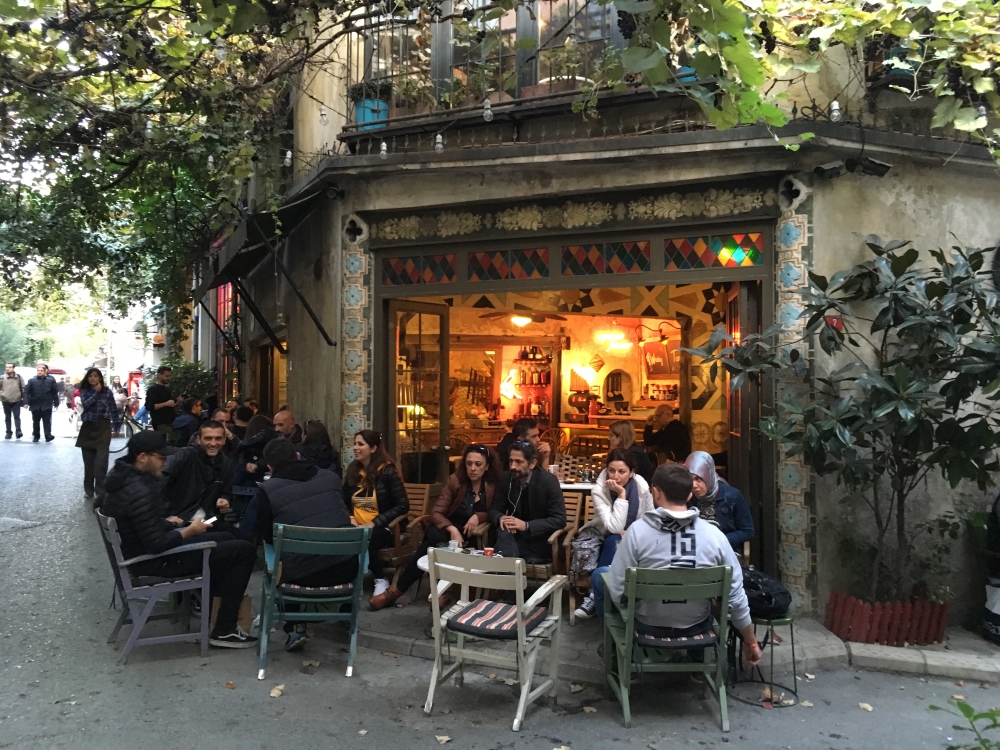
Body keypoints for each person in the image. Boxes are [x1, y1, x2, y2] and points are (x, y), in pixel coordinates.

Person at [591, 463, 762, 668]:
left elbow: (619, 592)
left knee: (600, 575)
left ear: (656, 492)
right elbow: (736, 595)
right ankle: (698, 660)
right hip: (697, 626)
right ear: (690, 495)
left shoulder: (637, 532)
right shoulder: (714, 536)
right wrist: (750, 640)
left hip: (647, 625)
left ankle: (618, 654)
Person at [102, 430, 257, 648]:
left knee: (226, 535)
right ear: (142, 457)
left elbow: (139, 524)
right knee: (243, 551)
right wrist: (189, 531)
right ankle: (224, 629)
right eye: (160, 458)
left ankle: (211, 611)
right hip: (154, 561)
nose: (165, 463)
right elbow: (157, 544)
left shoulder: (123, 480)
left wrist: (168, 523)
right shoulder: (141, 490)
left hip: (142, 552)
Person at [255, 437, 358, 651]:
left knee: (283, 557)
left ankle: (295, 626)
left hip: (299, 578)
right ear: (298, 456)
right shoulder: (330, 478)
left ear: (270, 467)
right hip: (345, 570)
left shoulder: (267, 490)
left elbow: (265, 535)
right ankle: (346, 613)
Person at [372, 443, 500, 610]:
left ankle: (398, 592)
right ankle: (436, 593)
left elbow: (497, 510)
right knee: (435, 539)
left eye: (478, 464)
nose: (473, 469)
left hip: (474, 535)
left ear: (487, 466)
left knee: (430, 546)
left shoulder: (493, 485)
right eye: (469, 464)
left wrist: (478, 516)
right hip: (449, 531)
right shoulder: (455, 481)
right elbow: (436, 512)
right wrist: (452, 529)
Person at [573, 448, 654, 620]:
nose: (615, 476)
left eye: (622, 471)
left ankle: (616, 596)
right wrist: (622, 495)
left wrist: (633, 532)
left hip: (636, 534)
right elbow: (614, 526)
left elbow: (650, 516)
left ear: (631, 472)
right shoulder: (599, 490)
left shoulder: (641, 485)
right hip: (605, 535)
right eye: (611, 470)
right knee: (615, 540)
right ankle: (596, 595)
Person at [342, 430, 409, 605]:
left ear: (373, 448)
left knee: (366, 537)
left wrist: (374, 523)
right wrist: (351, 517)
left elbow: (403, 505)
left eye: (360, 444)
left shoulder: (387, 471)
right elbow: (343, 500)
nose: (355, 448)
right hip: (356, 524)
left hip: (385, 527)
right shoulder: (353, 470)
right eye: (355, 443)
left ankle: (380, 579)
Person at [160, 420, 247, 542]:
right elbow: (158, 483)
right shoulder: (185, 455)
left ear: (224, 440)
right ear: (198, 439)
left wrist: (225, 499)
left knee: (245, 539)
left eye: (218, 439)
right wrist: (164, 517)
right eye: (208, 438)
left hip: (210, 520)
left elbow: (227, 491)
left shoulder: (226, 462)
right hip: (182, 523)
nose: (213, 443)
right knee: (232, 541)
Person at [488, 441, 566, 563]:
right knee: (504, 532)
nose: (513, 466)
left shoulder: (548, 481)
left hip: (539, 540)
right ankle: (509, 572)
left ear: (532, 464)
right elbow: (494, 509)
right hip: (513, 537)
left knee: (504, 547)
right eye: (510, 461)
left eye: (519, 462)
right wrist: (501, 518)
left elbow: (559, 519)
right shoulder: (506, 478)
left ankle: (506, 574)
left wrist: (526, 525)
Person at [685, 451, 754, 553]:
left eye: (698, 479)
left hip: (726, 551)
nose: (694, 485)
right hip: (697, 553)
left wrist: (718, 540)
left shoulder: (732, 496)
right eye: (690, 480)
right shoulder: (689, 497)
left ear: (708, 475)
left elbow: (747, 531)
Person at [76, 368, 122, 503]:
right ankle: (88, 489)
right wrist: (96, 391)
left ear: (100, 378)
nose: (92, 378)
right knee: (88, 463)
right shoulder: (84, 390)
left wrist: (117, 425)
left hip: (103, 427)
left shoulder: (107, 391)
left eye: (95, 376)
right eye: (90, 376)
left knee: (101, 463)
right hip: (88, 428)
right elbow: (87, 404)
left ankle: (100, 490)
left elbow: (113, 408)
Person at [22, 363, 59, 442]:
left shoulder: (50, 381)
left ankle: (48, 435)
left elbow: (54, 392)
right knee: (36, 422)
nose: (39, 372)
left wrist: (56, 403)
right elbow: (26, 392)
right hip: (35, 404)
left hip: (47, 404)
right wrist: (25, 402)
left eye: (41, 371)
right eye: (38, 370)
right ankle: (36, 435)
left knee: (47, 421)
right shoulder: (32, 381)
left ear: (45, 371)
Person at [608, 419, 653, 484]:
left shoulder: (635, 453)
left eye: (611, 435)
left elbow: (626, 480)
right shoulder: (628, 450)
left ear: (620, 437)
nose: (609, 438)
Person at [144, 366, 176, 433]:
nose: (168, 378)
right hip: (160, 422)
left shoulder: (167, 389)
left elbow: (170, 403)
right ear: (159, 375)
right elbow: (149, 406)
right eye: (166, 376)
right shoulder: (153, 389)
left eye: (169, 376)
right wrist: (166, 404)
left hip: (170, 421)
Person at [2, 363, 25, 440]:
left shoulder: (18, 377)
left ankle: (18, 431)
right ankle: (8, 432)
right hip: (6, 400)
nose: (7, 369)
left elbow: (23, 387)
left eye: (10, 367)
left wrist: (24, 399)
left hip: (17, 400)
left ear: (13, 368)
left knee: (17, 416)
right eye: (6, 367)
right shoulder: (2, 378)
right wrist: (2, 394)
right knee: (7, 417)